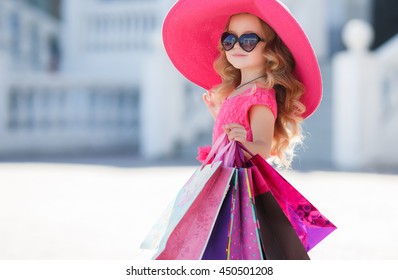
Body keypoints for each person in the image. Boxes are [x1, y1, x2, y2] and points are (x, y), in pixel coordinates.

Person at [156, 0, 335, 260]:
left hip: (240, 189)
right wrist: (221, 115)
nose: (237, 47)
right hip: (222, 180)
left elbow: (262, 146)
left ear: (271, 49)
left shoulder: (260, 95)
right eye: (229, 40)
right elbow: (235, 130)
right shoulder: (239, 91)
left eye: (248, 40)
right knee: (211, 243)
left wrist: (243, 141)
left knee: (234, 245)